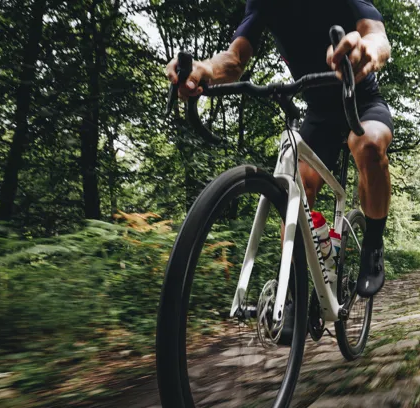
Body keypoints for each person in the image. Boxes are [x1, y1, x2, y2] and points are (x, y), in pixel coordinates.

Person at [166, 0, 393, 298]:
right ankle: (293, 291)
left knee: (369, 146)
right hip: (318, 113)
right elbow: (234, 59)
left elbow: (377, 36)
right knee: (294, 191)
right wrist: (204, 69)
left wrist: (367, 51)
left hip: (361, 101)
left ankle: (373, 245)